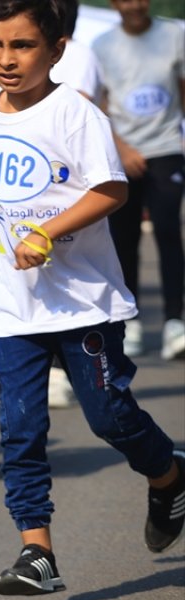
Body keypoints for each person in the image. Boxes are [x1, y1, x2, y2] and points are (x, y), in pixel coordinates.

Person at [0, 0, 184, 595]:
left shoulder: (74, 114)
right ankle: (36, 550)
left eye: (21, 46)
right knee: (19, 425)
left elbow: (112, 189)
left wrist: (47, 231)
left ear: (56, 50)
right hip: (15, 303)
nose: (5, 58)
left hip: (85, 301)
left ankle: (169, 475)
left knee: (108, 415)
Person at [93, 0, 185, 361]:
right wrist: (122, 148)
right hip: (122, 153)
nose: (134, 4)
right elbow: (99, 104)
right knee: (124, 238)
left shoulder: (173, 34)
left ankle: (174, 323)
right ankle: (128, 321)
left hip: (166, 149)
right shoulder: (101, 45)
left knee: (166, 230)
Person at [43, 0, 96, 409]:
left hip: (67, 184)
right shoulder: (19, 48)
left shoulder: (78, 55)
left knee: (64, 275)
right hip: (31, 186)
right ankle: (55, 369)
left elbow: (85, 108)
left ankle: (69, 370)